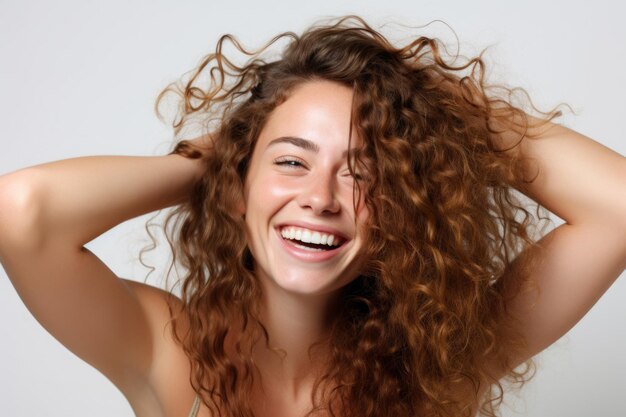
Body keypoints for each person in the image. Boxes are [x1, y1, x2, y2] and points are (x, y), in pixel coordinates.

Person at [0, 15, 624, 417]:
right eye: (293, 163)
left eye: (363, 171)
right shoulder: (170, 353)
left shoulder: (438, 371)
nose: (322, 196)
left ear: (400, 212)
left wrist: (441, 106)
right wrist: (217, 167)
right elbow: (22, 210)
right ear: (238, 187)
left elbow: (616, 208)